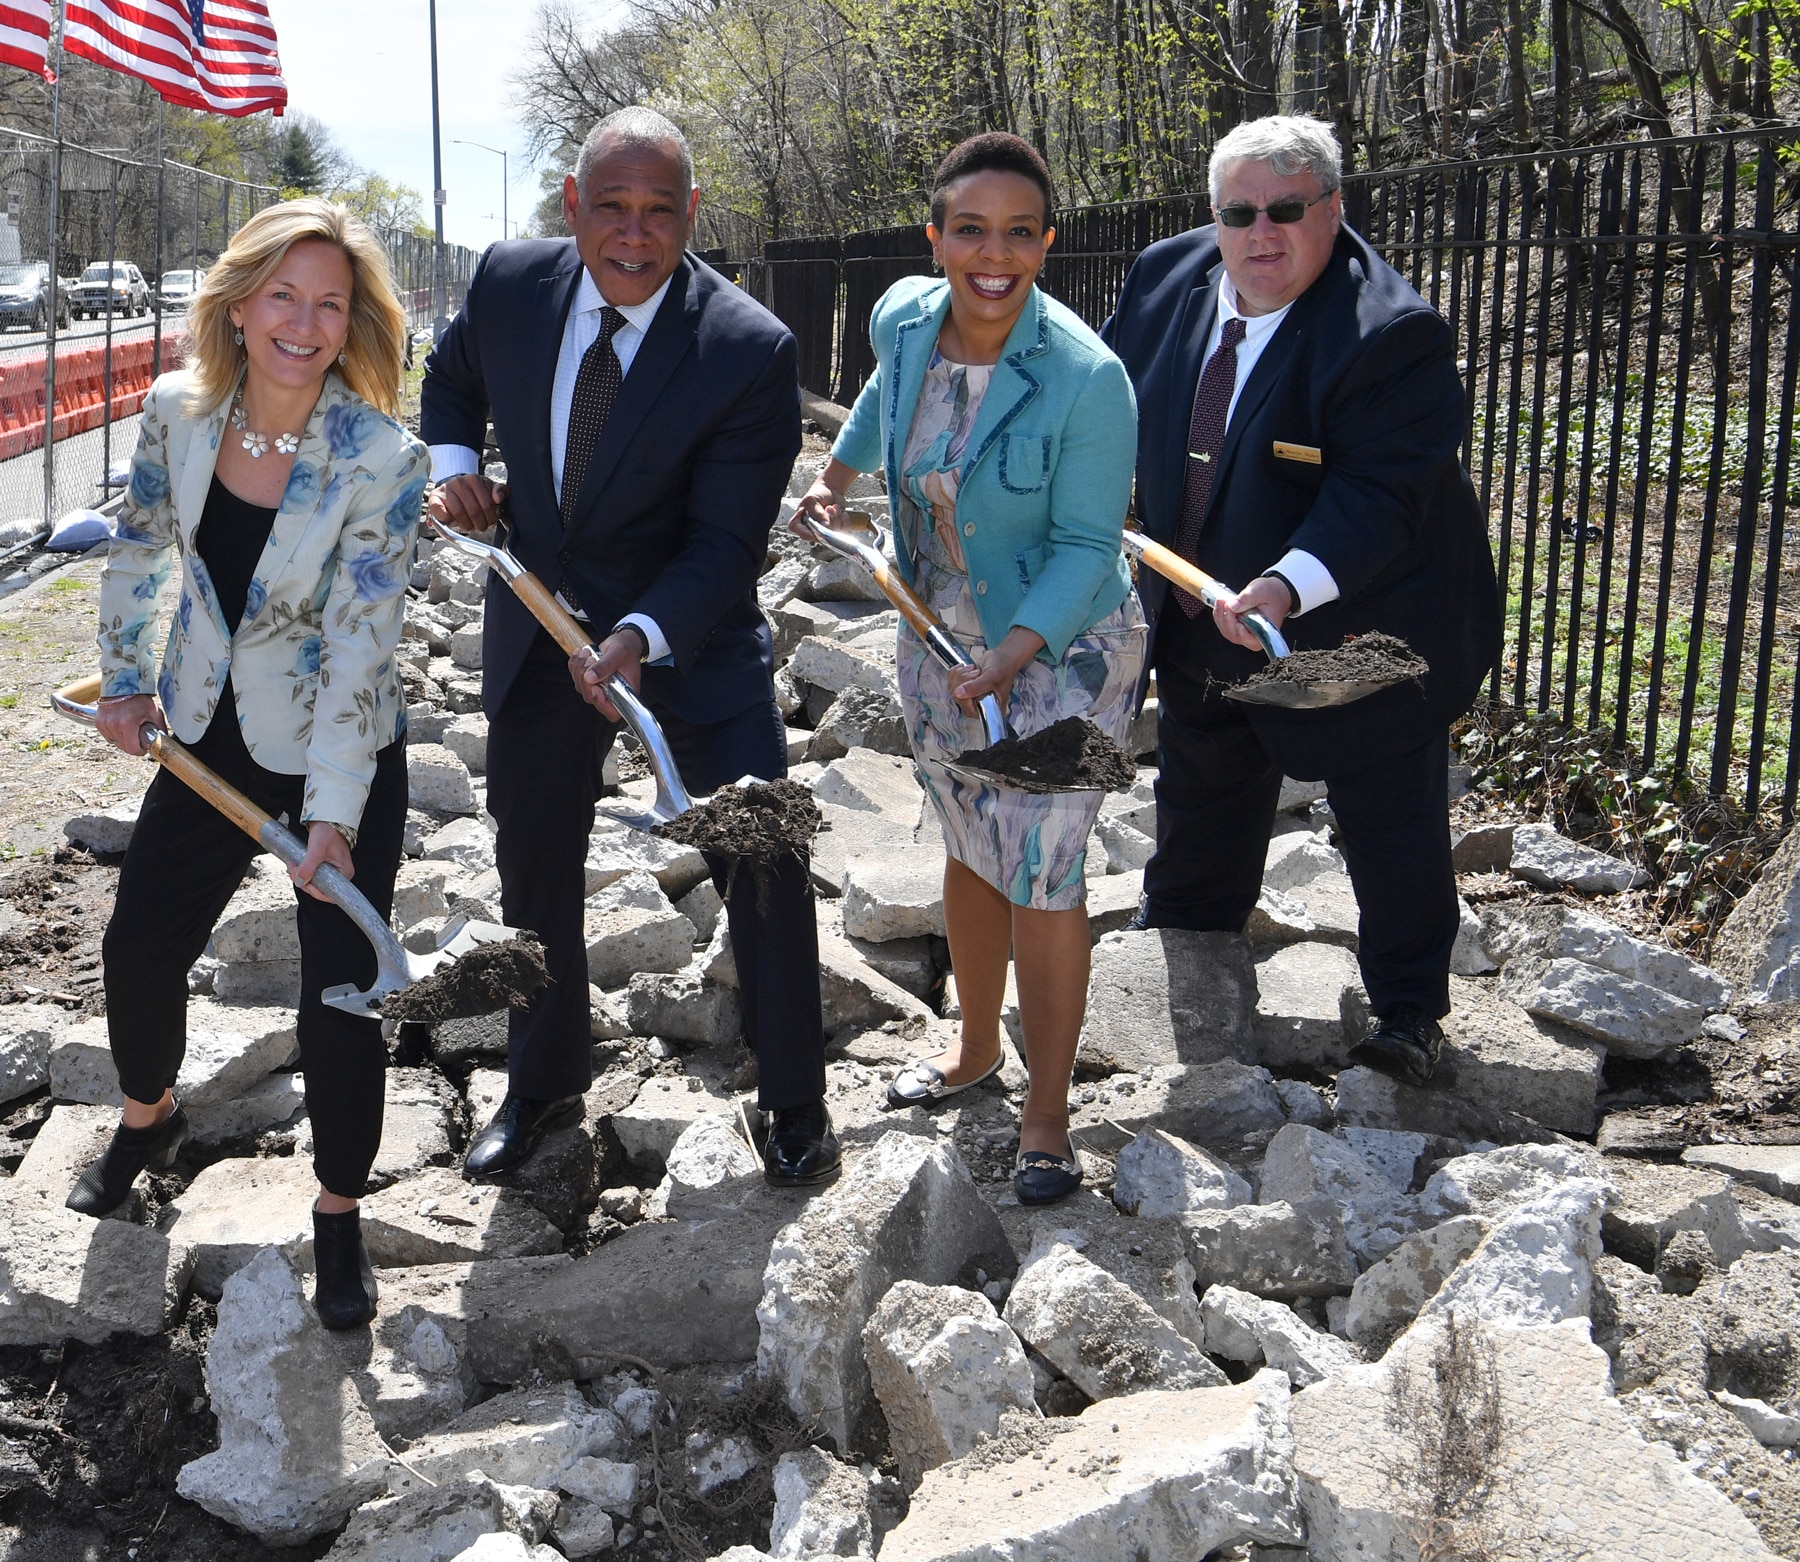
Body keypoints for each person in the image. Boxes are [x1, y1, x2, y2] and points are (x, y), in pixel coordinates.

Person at [421, 108, 838, 1187]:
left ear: (692, 214)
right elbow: (449, 378)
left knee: (765, 851)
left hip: (688, 643)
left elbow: (724, 542)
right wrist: (458, 461)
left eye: (662, 211)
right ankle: (544, 1075)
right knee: (534, 862)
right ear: (574, 206)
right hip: (536, 633)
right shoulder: (510, 284)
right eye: (613, 206)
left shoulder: (748, 348)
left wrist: (640, 638)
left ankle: (793, 1098)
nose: (636, 234)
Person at [76, 198, 425, 1331]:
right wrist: (125, 678)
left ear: (351, 323)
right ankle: (149, 1112)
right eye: (284, 293)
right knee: (139, 947)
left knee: (340, 992)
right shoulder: (178, 413)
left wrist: (331, 816)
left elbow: (363, 648)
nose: (305, 321)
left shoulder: (382, 457)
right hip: (204, 735)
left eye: (331, 303)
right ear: (237, 302)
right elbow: (138, 548)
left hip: (339, 746)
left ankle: (336, 1209)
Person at [1101, 115, 1501, 1086]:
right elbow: (1095, 397)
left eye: (1288, 208)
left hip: (1362, 621)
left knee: (1387, 812)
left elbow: (1377, 496)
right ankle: (1191, 954)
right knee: (1202, 785)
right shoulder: (1163, 279)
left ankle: (1409, 1013)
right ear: (1214, 215)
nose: (1261, 232)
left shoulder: (1390, 333)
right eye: (1239, 211)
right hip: (1202, 608)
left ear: (1334, 207)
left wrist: (1284, 587)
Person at [795, 132, 1144, 1206]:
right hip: (934, 626)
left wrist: (1012, 655)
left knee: (1042, 862)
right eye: (972, 230)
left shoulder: (1087, 377)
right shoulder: (903, 314)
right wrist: (839, 475)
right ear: (936, 235)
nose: (995, 255)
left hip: (1062, 642)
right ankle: (971, 1048)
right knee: (965, 835)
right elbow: (884, 400)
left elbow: (1091, 548)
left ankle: (1046, 1108)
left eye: (1021, 233)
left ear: (1048, 242)